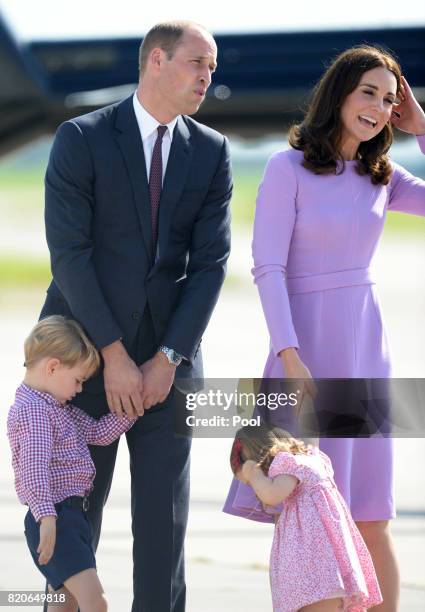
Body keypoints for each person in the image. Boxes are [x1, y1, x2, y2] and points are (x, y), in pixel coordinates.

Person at [224, 44, 425, 611]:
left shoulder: (382, 176)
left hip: (365, 351)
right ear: (339, 93)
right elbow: (269, 265)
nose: (380, 107)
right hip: (304, 349)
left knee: (369, 513)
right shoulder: (286, 167)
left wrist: (421, 126)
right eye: (369, 93)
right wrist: (288, 353)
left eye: (390, 99)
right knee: (306, 506)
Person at [40, 19, 231, 612]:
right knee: (72, 523)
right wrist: (116, 357)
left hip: (168, 370)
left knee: (163, 528)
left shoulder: (212, 150)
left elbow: (210, 264)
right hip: (83, 360)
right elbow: (72, 256)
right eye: (198, 63)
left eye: (212, 68)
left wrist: (167, 359)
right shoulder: (82, 136)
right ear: (155, 60)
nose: (207, 77)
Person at [7, 315, 137, 612]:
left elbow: (97, 433)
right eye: (77, 380)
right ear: (53, 367)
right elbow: (34, 469)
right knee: (95, 603)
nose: (79, 389)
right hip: (57, 518)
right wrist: (47, 517)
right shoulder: (36, 413)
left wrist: (134, 404)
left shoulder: (56, 408)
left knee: (62, 604)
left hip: (70, 517)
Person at [231, 424, 383, 611]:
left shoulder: (289, 463)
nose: (255, 488)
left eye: (249, 484)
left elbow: (271, 495)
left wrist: (254, 475)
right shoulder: (313, 459)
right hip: (330, 565)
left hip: (315, 568)